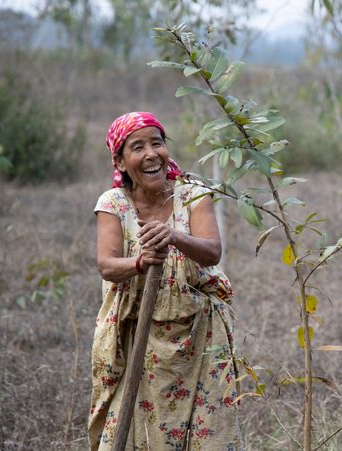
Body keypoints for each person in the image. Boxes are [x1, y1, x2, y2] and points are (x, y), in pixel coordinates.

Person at [88, 111, 242, 450]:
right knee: (134, 431)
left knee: (208, 433)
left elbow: (212, 252)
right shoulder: (113, 204)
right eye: (137, 147)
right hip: (135, 336)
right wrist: (141, 262)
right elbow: (107, 265)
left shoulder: (194, 194)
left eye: (156, 143)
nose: (150, 155)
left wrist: (174, 236)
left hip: (201, 333)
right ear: (120, 161)